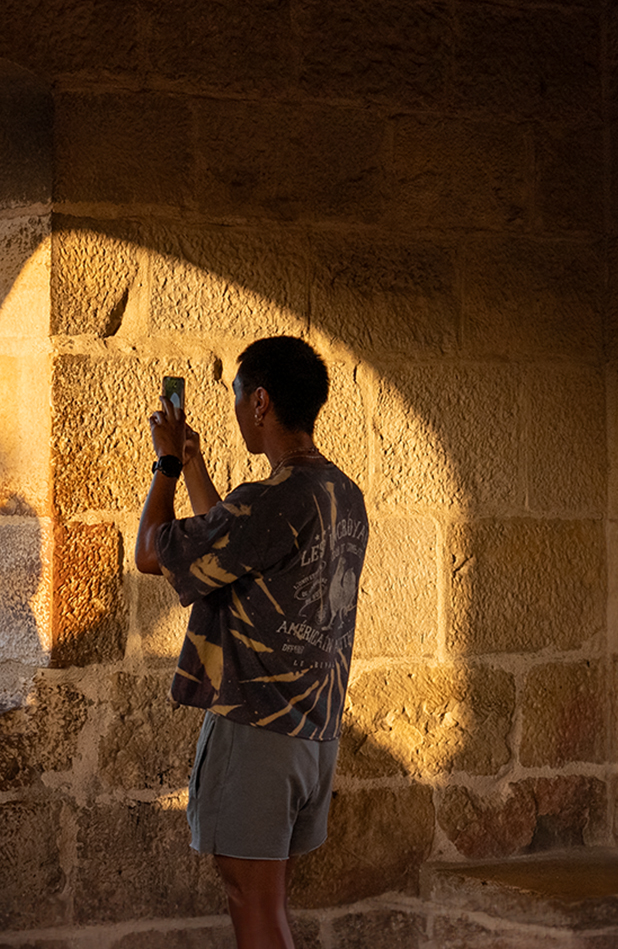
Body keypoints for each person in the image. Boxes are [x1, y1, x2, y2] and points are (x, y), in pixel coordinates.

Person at [135, 336, 369, 949]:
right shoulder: (340, 492)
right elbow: (235, 551)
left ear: (260, 400)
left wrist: (162, 465)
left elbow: (149, 553)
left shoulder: (272, 497)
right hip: (312, 733)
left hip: (258, 729)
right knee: (270, 903)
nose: (237, 409)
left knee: (251, 904)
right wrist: (194, 466)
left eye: (238, 396)